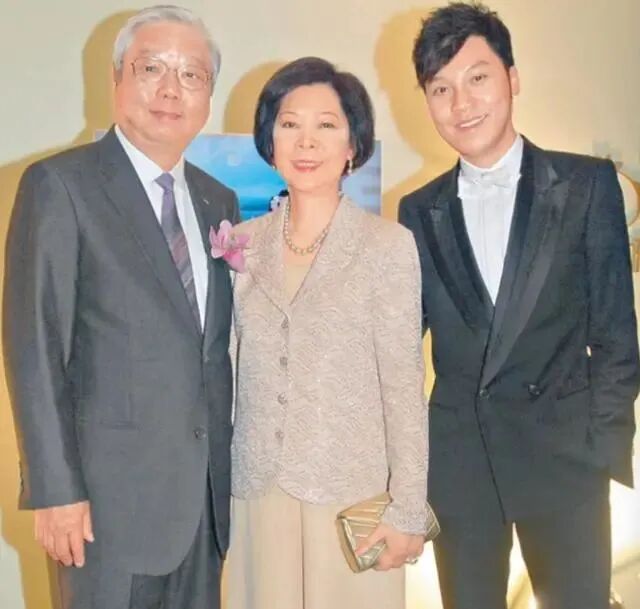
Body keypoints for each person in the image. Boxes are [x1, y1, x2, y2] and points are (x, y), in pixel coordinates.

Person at [398, 3, 640, 609]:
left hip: (565, 465)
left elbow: (616, 337)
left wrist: (598, 450)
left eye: (477, 77)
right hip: (461, 469)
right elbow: (396, 346)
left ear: (512, 78)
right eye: (441, 88)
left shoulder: (587, 185)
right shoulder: (417, 210)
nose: (461, 103)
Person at [3, 6, 238, 609]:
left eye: (191, 74)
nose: (171, 88)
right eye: (152, 67)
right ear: (116, 79)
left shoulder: (219, 201)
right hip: (102, 512)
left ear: (208, 94)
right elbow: (34, 346)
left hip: (202, 509)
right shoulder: (61, 186)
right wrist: (55, 489)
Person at [224, 57, 428, 609]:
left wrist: (409, 508)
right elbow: (227, 372)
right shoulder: (242, 243)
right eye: (289, 124)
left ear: (353, 145)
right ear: (269, 140)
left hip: (350, 498)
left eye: (327, 125)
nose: (306, 141)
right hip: (257, 494)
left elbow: (403, 387)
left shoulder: (387, 246)